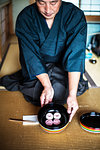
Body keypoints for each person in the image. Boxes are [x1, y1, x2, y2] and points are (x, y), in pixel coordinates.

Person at [0, 0, 87, 122]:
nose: (47, 9)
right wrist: (47, 85)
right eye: (41, 3)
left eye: (53, 3)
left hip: (63, 65)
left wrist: (72, 95)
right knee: (40, 93)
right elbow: (30, 55)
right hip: (38, 67)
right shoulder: (26, 17)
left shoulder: (74, 15)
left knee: (64, 92)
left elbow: (76, 54)